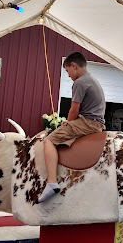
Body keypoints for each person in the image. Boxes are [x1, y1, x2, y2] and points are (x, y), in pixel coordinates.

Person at [38, 52, 106, 203]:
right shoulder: (91, 79)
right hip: (96, 122)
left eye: (68, 71)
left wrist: (68, 123)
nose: (68, 75)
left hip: (88, 123)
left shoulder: (80, 82)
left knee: (49, 141)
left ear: (74, 66)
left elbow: (74, 109)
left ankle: (51, 183)